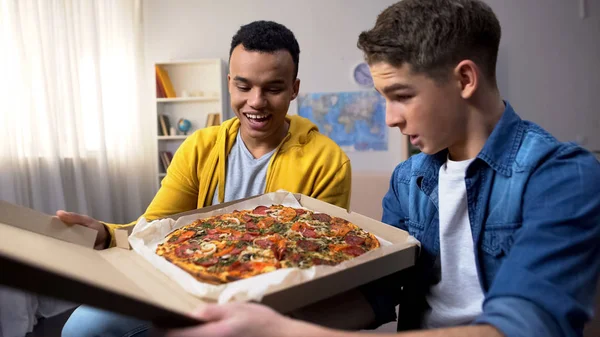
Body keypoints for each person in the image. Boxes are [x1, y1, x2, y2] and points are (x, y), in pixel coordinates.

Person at [164, 0, 600, 337]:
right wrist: (262, 321)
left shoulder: (561, 175)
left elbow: (527, 325)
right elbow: (378, 296)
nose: (390, 118)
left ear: (464, 79)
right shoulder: (408, 181)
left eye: (401, 95)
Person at [58, 20, 352, 337]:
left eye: (273, 88)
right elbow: (155, 226)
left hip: (266, 306)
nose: (256, 101)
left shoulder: (327, 161)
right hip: (178, 285)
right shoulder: (200, 146)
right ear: (229, 84)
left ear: (294, 88)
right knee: (82, 327)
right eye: (244, 86)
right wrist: (105, 233)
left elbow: (319, 257)